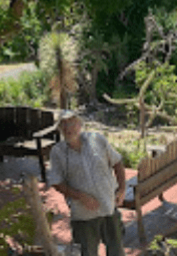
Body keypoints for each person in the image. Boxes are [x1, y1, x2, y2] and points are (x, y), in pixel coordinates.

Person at [49, 110, 126, 256]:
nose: (68, 128)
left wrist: (122, 188)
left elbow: (117, 162)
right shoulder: (57, 152)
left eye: (71, 123)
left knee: (116, 251)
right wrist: (80, 196)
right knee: (86, 253)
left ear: (79, 124)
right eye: (63, 124)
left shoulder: (97, 139)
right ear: (60, 129)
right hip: (83, 215)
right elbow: (56, 182)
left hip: (109, 207)